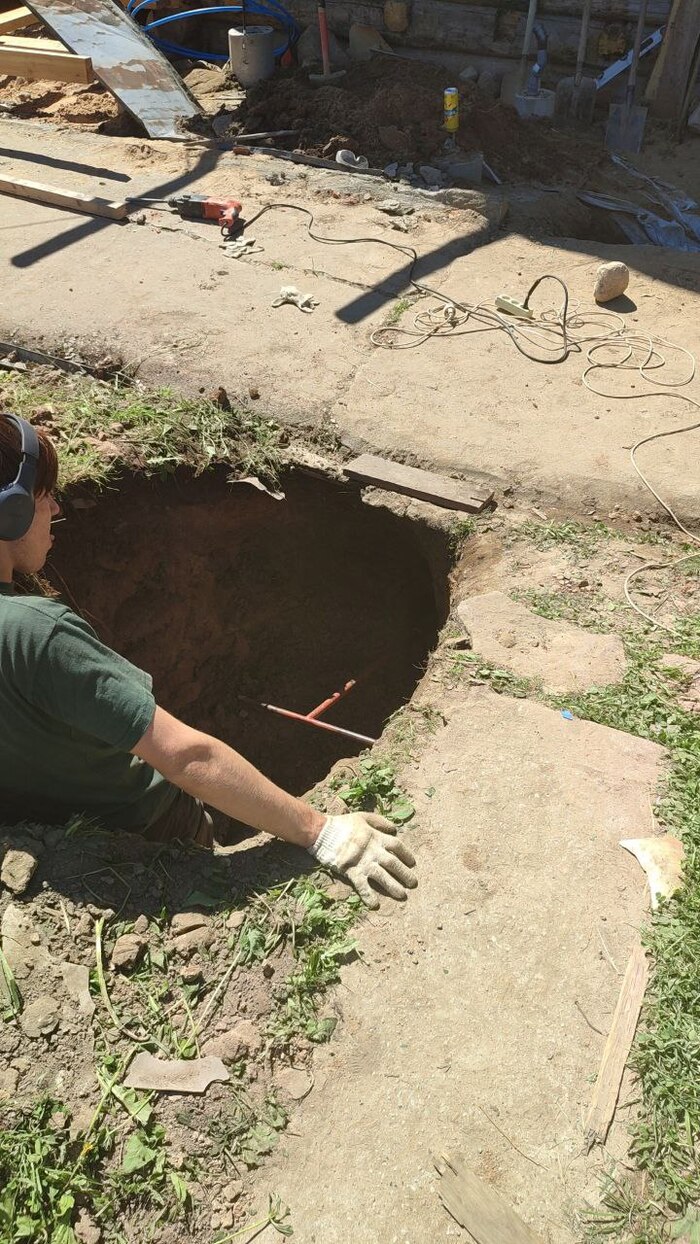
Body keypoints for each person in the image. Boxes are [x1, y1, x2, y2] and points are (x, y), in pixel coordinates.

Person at [0, 412, 417, 910]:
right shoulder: (35, 634)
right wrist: (319, 831)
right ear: (11, 513)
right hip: (145, 824)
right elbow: (185, 756)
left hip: (43, 816)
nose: (57, 506)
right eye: (45, 495)